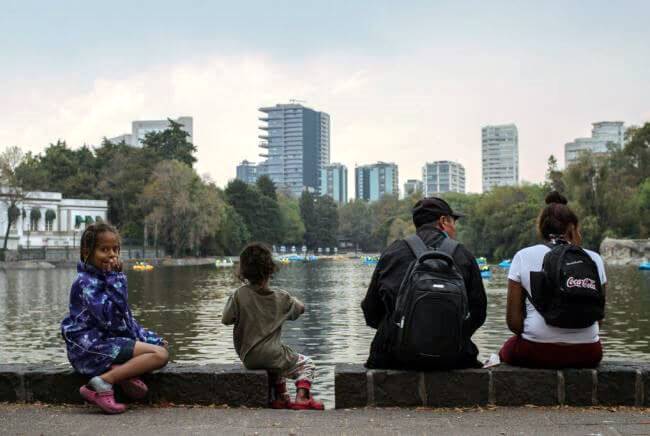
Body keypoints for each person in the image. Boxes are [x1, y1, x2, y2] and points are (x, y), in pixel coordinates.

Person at [361, 197, 487, 369]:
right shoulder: (463, 254)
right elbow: (479, 313)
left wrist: (402, 331)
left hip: (394, 358)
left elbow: (371, 310)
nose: (454, 228)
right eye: (453, 222)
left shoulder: (393, 252)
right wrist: (449, 337)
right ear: (443, 221)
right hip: (453, 358)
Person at [61, 223, 169, 414]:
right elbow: (112, 319)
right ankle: (103, 383)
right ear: (87, 251)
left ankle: (118, 371)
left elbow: (126, 319)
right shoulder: (85, 283)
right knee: (159, 355)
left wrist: (151, 338)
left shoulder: (105, 277)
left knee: (158, 348)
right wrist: (117, 279)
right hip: (90, 349)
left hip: (107, 343)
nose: (112, 254)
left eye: (115, 249)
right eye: (104, 249)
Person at [499, 191, 606, 368]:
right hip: (588, 352)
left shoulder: (523, 256)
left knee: (507, 349)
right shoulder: (594, 258)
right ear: (572, 228)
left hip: (536, 350)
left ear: (541, 228)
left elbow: (514, 323)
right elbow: (599, 318)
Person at [222, 243, 324, 410]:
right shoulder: (280, 297)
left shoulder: (239, 295)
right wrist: (292, 300)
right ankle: (303, 397)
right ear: (270, 270)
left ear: (243, 272)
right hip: (272, 354)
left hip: (248, 357)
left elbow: (226, 319)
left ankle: (280, 397)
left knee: (276, 365)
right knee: (306, 364)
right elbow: (301, 308)